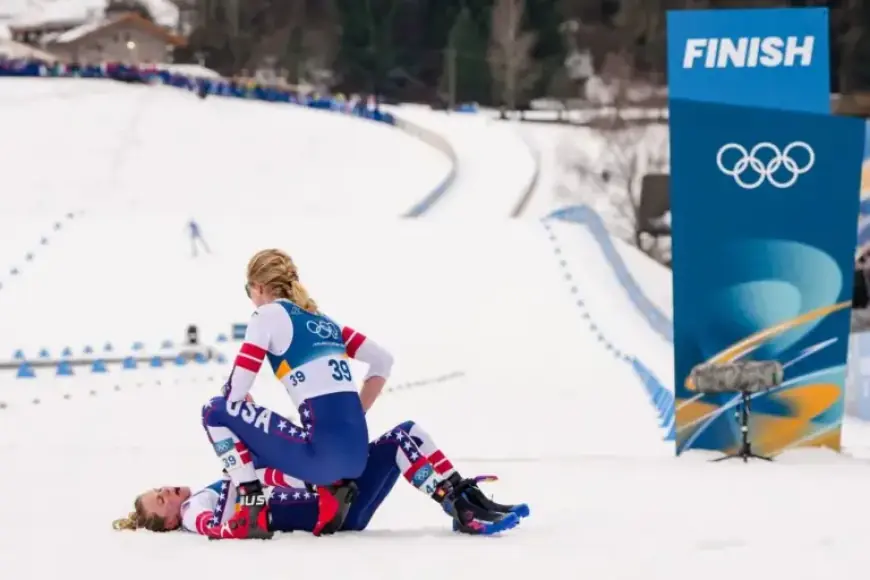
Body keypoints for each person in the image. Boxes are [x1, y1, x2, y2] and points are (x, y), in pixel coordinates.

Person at [208, 249, 394, 537]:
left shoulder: (266, 315)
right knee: (265, 428)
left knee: (214, 412)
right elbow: (383, 360)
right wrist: (355, 413)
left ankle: (251, 510)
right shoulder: (325, 322)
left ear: (258, 287)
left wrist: (237, 406)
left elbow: (235, 392)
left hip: (321, 458)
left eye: (249, 290)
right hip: (357, 458)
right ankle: (329, 490)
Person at [112, 421, 529, 539]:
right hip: (333, 510)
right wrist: (243, 477)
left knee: (408, 435)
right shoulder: (193, 512)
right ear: (168, 522)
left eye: (160, 489)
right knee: (404, 441)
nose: (167, 492)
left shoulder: (208, 490)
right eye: (160, 500)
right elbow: (220, 527)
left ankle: (462, 498)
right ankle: (464, 509)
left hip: (335, 493)